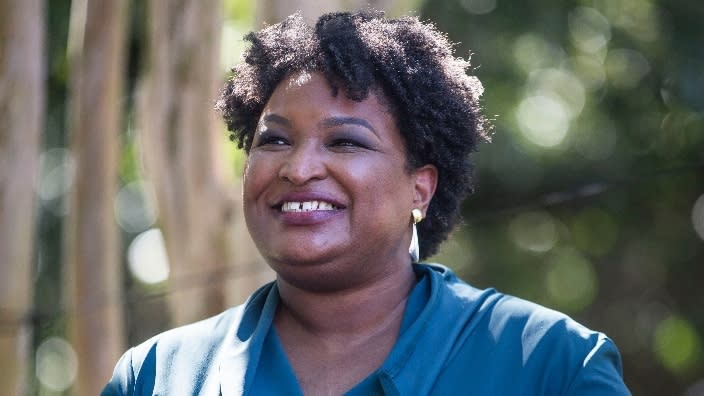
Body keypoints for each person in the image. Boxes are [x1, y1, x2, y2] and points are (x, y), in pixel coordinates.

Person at [102, 10, 630, 395]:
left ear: (419, 189)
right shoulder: (156, 376)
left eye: (345, 142)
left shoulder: (551, 365)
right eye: (275, 139)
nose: (298, 168)